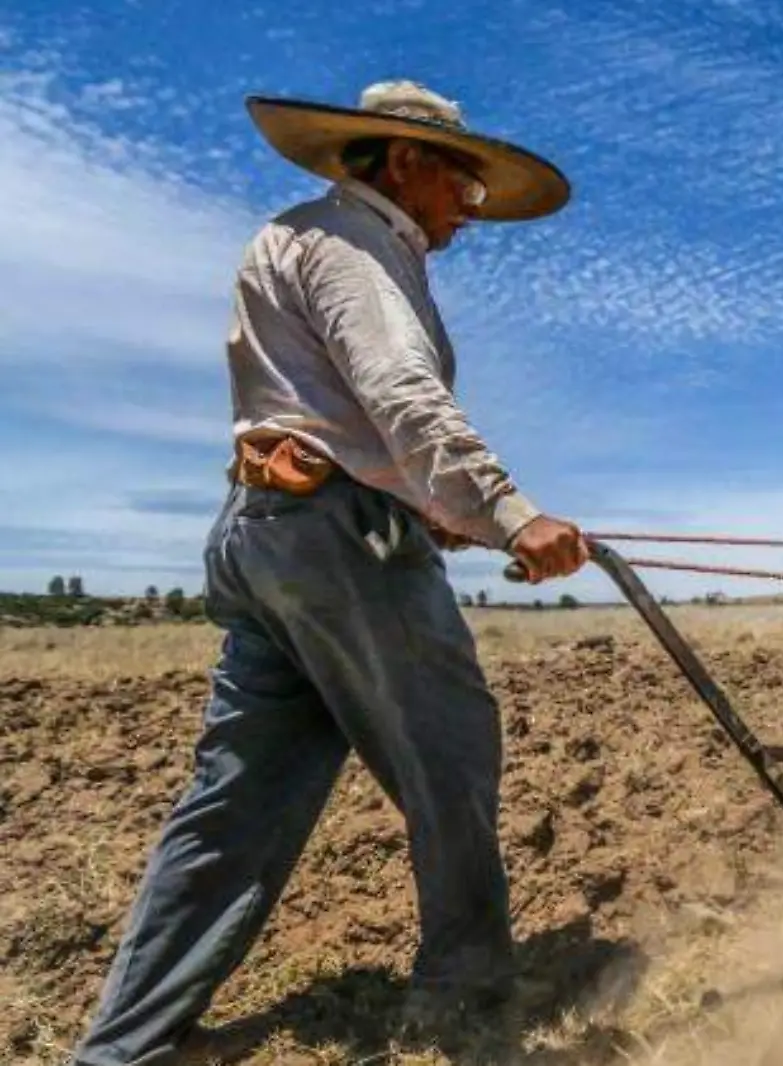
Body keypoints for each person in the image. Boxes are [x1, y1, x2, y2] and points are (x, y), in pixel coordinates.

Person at [71, 80, 589, 1066]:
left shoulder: (296, 235)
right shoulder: (360, 250)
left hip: (267, 532)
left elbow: (341, 421)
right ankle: (464, 1006)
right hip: (342, 540)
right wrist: (515, 514)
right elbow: (401, 398)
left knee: (239, 796)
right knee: (450, 752)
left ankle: (126, 1047)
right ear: (403, 162)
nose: (467, 214)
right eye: (462, 187)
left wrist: (439, 516)